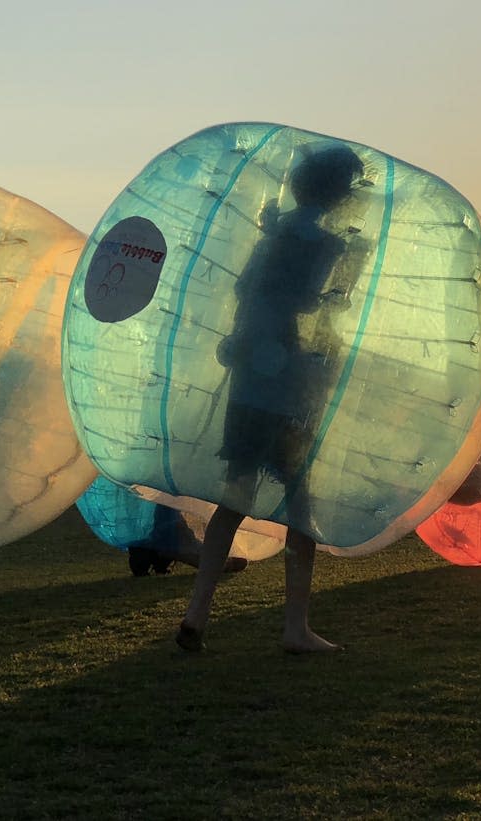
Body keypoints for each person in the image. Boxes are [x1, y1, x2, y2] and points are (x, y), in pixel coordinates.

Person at [177, 145, 370, 653]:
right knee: (300, 508)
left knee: (234, 497)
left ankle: (197, 612)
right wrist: (341, 287)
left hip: (248, 374)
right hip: (284, 378)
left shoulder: (271, 234)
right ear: (337, 194)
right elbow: (305, 302)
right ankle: (295, 627)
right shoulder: (324, 243)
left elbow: (246, 292)